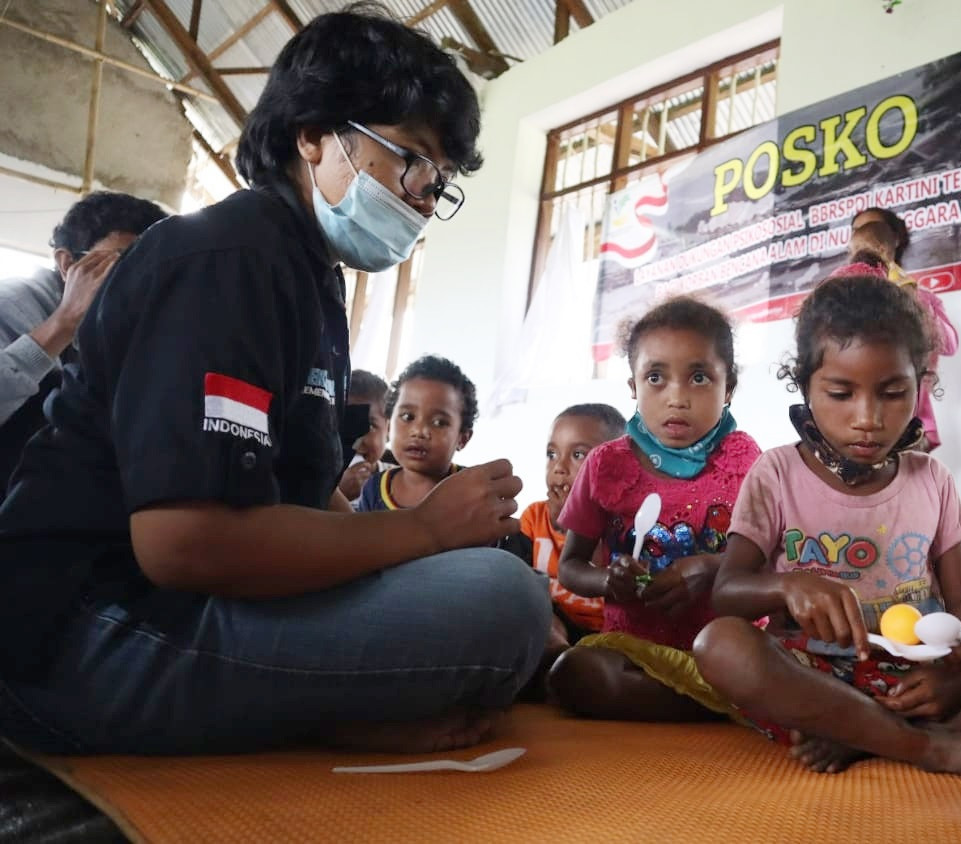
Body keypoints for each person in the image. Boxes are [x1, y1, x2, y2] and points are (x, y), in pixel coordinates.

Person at [0, 6, 549, 756]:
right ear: (314, 134)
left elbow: (290, 498)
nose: (423, 196)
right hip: (86, 632)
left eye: (439, 182)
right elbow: (181, 544)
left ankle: (319, 708)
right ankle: (322, 717)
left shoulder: (307, 278)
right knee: (503, 601)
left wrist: (422, 539)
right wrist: (419, 530)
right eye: (410, 160)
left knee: (488, 579)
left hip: (174, 607)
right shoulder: (229, 259)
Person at [693, 274, 961, 776]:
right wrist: (787, 586)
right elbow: (727, 593)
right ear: (805, 384)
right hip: (812, 675)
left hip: (914, 678)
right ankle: (922, 747)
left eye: (893, 392)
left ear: (921, 385)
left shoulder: (932, 479)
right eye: (841, 393)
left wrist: (959, 668)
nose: (868, 417)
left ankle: (863, 732)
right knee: (720, 646)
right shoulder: (776, 472)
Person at [548, 296, 761, 721]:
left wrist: (711, 567)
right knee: (573, 672)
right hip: (637, 647)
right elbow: (571, 565)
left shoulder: (745, 460)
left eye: (699, 377)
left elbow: (768, 561)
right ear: (633, 386)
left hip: (723, 646)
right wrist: (609, 581)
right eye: (656, 378)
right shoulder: (607, 464)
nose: (676, 398)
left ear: (729, 387)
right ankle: (716, 705)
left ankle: (715, 694)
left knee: (767, 662)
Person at [0, 192, 166, 486]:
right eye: (120, 264)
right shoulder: (11, 304)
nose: (135, 284)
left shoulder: (123, 329)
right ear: (67, 264)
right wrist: (63, 322)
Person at [846, 206, 958, 451]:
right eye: (856, 232)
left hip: (911, 430)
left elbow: (949, 344)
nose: (863, 238)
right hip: (853, 429)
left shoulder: (920, 296)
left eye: (872, 230)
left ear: (891, 242)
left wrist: (913, 302)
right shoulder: (840, 299)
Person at [521, 403, 627, 645]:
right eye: (552, 454)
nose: (558, 468)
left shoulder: (628, 527)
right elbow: (517, 589)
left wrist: (580, 520)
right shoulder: (534, 518)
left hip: (609, 634)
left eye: (578, 455)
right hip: (553, 627)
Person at [356, 355, 474, 511]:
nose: (419, 431)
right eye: (407, 417)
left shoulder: (471, 489)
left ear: (462, 438)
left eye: (439, 422)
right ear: (390, 426)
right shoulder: (374, 489)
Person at [338, 369, 391, 505]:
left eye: (369, 426)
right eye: (346, 423)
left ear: (389, 430)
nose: (356, 438)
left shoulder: (395, 480)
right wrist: (338, 492)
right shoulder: (321, 478)